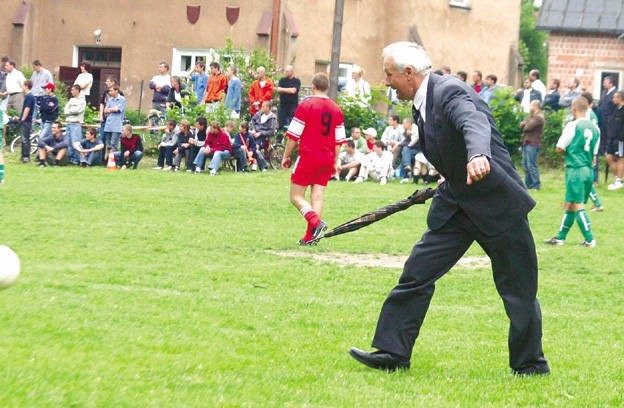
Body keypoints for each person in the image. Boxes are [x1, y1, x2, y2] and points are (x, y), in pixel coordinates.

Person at [349, 41, 549, 376]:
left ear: (409, 73)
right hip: (457, 205)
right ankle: (392, 352)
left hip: (495, 203)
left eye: (388, 74)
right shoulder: (421, 102)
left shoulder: (450, 93)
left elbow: (473, 122)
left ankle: (530, 365)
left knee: (518, 289)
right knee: (417, 273)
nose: (386, 81)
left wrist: (476, 155)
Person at [281, 72, 346, 245]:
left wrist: (286, 155)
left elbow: (294, 135)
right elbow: (339, 140)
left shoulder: (306, 105)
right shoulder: (336, 108)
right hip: (327, 156)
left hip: (309, 155)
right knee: (317, 196)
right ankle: (311, 238)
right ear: (328, 87)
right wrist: (335, 161)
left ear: (313, 86)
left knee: (295, 196)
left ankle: (315, 222)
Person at [545, 97, 600, 247]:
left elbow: (560, 147)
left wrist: (571, 153)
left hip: (575, 169)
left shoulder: (573, 126)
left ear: (574, 108)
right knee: (570, 204)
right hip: (589, 169)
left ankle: (590, 240)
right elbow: (594, 155)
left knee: (577, 205)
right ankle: (560, 238)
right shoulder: (595, 128)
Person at [520, 100, 545, 190]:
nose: (530, 107)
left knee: (531, 164)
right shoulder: (532, 117)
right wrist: (525, 123)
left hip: (533, 143)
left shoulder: (539, 117)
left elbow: (527, 127)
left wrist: (525, 123)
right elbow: (521, 125)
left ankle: (536, 185)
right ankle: (528, 185)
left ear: (536, 107)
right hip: (526, 142)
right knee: (525, 164)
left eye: (531, 105)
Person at [605, 91, 624, 190]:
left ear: (620, 98)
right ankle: (619, 179)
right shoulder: (616, 109)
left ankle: (618, 181)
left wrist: (620, 138)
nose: (613, 99)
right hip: (612, 138)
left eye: (615, 97)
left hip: (620, 139)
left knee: (621, 158)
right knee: (608, 157)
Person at [250, 100, 277, 169]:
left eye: (263, 106)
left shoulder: (272, 117)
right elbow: (252, 121)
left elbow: (272, 130)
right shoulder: (259, 114)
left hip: (264, 137)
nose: (261, 108)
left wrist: (260, 133)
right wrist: (253, 129)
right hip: (254, 133)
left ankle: (255, 164)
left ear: (268, 108)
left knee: (256, 146)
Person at [64, 84, 86, 165]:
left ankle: (80, 160)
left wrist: (70, 111)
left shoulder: (82, 101)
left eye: (73, 90)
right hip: (68, 123)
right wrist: (71, 111)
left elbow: (78, 111)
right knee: (69, 142)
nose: (71, 92)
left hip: (76, 124)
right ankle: (71, 159)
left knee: (76, 142)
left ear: (77, 90)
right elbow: (65, 110)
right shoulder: (71, 100)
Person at [276, 65, 301, 132]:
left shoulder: (296, 81)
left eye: (287, 71)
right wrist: (289, 90)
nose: (285, 72)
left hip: (292, 107)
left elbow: (293, 91)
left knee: (292, 125)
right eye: (285, 71)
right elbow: (278, 89)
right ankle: (279, 141)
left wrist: (283, 89)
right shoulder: (282, 80)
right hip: (283, 106)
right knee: (281, 125)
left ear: (292, 72)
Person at [102, 85, 126, 153]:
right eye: (109, 91)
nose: (110, 92)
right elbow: (105, 110)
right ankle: (109, 159)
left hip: (116, 125)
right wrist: (112, 109)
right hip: (108, 125)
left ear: (116, 91)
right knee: (109, 144)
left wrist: (111, 109)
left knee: (114, 144)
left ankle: (115, 159)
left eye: (111, 91)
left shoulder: (122, 99)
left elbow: (118, 109)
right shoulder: (110, 100)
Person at [18, 80, 36, 162]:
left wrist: (22, 119)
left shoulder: (29, 96)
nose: (22, 87)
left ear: (26, 86)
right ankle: (23, 156)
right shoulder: (29, 96)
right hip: (26, 120)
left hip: (26, 121)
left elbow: (27, 109)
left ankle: (26, 156)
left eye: (23, 85)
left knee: (25, 139)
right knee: (24, 138)